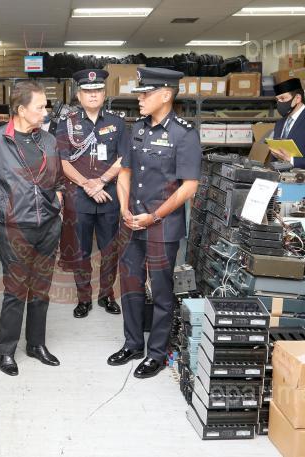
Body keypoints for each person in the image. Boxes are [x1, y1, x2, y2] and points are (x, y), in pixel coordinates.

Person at [0, 81, 64, 376]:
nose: (45, 112)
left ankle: (36, 344)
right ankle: (6, 350)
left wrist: (56, 206)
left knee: (41, 290)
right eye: (40, 107)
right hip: (14, 229)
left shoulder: (48, 141)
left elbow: (58, 181)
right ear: (21, 109)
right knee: (16, 291)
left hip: (48, 228)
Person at [108, 68, 201, 379]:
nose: (140, 99)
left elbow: (189, 187)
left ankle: (157, 353)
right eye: (139, 93)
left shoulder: (184, 134)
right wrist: (124, 209)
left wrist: (155, 216)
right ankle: (133, 343)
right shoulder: (136, 129)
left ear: (166, 95)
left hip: (162, 225)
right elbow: (125, 172)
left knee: (161, 291)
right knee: (130, 285)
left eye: (145, 94)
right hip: (131, 221)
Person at [55, 69, 127, 318]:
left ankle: (106, 295)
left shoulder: (117, 123)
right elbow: (62, 161)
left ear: (104, 94)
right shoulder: (67, 123)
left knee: (110, 250)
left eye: (97, 90)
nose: (93, 94)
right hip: (79, 198)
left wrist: (102, 181)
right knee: (81, 251)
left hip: (109, 197)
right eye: (87, 90)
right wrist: (88, 184)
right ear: (79, 94)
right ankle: (83, 298)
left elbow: (123, 158)